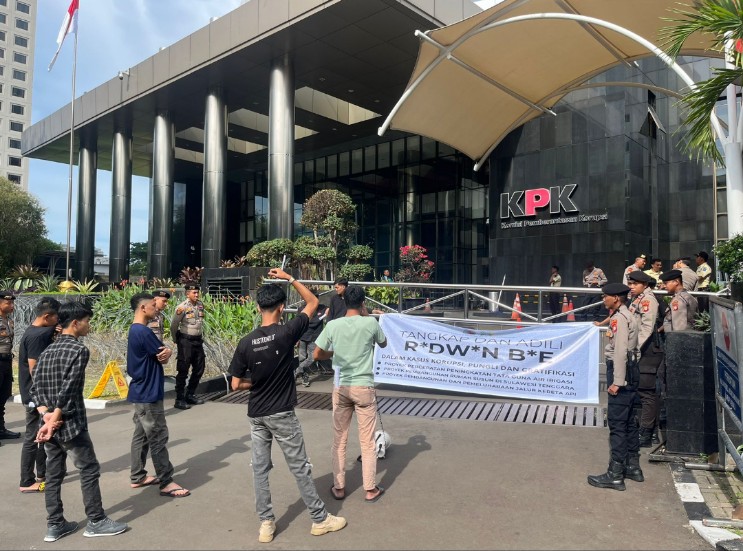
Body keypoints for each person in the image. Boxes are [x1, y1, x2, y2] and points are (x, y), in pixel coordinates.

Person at [229, 268, 346, 543]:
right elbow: (313, 302)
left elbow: (235, 384)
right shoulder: (286, 333)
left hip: (257, 414)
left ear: (258, 307)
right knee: (300, 467)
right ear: (282, 308)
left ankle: (266, 524)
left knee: (260, 469)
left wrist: (255, 383)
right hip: (281, 412)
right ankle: (319, 519)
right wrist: (289, 278)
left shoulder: (246, 343)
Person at [30, 301, 128, 542]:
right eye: (87, 321)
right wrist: (54, 418)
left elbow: (35, 389)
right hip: (70, 424)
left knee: (53, 474)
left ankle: (55, 524)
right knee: (88, 469)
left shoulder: (48, 351)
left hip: (51, 424)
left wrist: (46, 417)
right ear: (75, 323)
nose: (89, 326)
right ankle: (96, 520)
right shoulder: (78, 350)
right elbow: (69, 390)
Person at [313, 285, 388, 504]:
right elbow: (383, 343)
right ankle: (370, 488)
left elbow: (317, 354)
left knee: (339, 439)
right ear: (363, 303)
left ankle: (339, 487)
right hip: (364, 387)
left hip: (341, 386)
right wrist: (366, 315)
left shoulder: (333, 325)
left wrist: (335, 352)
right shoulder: (370, 323)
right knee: (367, 441)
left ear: (344, 301)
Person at [127, 293, 190, 498]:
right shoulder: (143, 331)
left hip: (141, 390)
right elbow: (163, 353)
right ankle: (166, 481)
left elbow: (161, 354)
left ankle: (137, 475)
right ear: (143, 308)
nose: (157, 308)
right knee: (158, 436)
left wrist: (166, 352)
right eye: (153, 305)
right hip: (148, 391)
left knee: (141, 435)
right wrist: (169, 351)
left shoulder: (135, 330)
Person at [587, 283, 640, 491]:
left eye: (605, 296)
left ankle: (615, 474)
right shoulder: (627, 315)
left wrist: (617, 382)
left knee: (617, 423)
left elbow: (620, 352)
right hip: (631, 371)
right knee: (629, 422)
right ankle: (633, 467)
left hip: (621, 373)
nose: (603, 299)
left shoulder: (619, 319)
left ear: (616, 298)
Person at [18, 297, 61, 493]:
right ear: (47, 316)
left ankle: (42, 473)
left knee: (44, 435)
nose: (58, 321)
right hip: (35, 395)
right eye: (56, 318)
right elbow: (34, 369)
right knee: (32, 437)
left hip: (36, 393)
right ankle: (26, 481)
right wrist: (41, 398)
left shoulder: (37, 330)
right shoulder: (37, 336)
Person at [626, 271, 661, 448]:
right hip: (641, 349)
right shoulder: (638, 298)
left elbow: (646, 328)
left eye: (635, 284)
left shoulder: (648, 300)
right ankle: (650, 431)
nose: (631, 287)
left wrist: (634, 349)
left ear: (645, 285)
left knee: (646, 392)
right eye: (630, 284)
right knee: (641, 390)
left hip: (647, 350)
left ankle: (646, 434)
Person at [170, 284, 206, 409]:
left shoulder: (200, 305)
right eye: (194, 292)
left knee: (200, 367)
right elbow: (174, 325)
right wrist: (175, 339)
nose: (196, 294)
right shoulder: (182, 307)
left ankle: (190, 394)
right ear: (187, 294)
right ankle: (179, 399)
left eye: (197, 292)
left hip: (197, 341)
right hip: (186, 341)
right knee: (183, 369)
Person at [0, 289, 19, 441]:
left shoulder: (8, 320)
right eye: (8, 303)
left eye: (12, 303)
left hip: (6, 362)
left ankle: (1, 429)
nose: (11, 305)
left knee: (3, 396)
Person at [296, 298, 328, 387]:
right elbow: (299, 324)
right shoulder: (302, 309)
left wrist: (326, 313)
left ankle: (296, 371)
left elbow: (330, 309)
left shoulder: (322, 308)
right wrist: (297, 338)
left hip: (314, 337)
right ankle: (304, 377)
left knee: (312, 357)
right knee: (302, 358)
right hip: (302, 337)